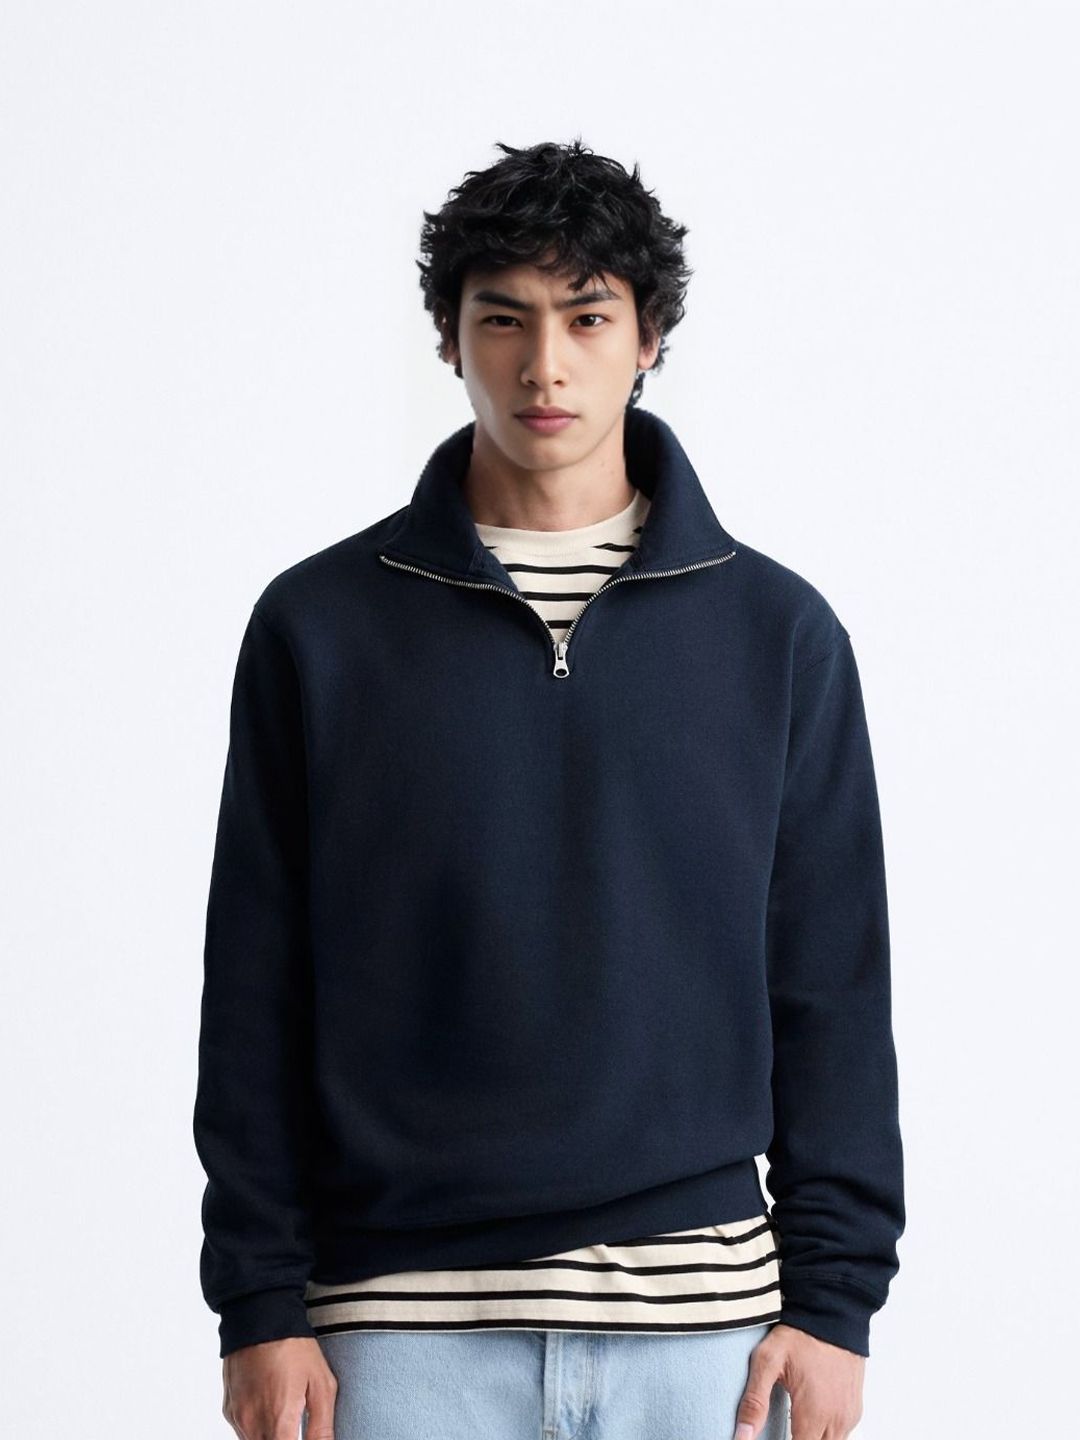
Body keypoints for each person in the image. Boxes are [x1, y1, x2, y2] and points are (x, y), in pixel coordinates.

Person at [193, 137, 905, 1440]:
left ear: (648, 339)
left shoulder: (775, 633)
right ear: (450, 340)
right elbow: (256, 988)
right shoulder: (322, 628)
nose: (543, 365)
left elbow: (832, 985)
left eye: (586, 318)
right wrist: (258, 1305)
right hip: (393, 1335)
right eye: (502, 319)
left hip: (704, 1342)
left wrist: (836, 1303)